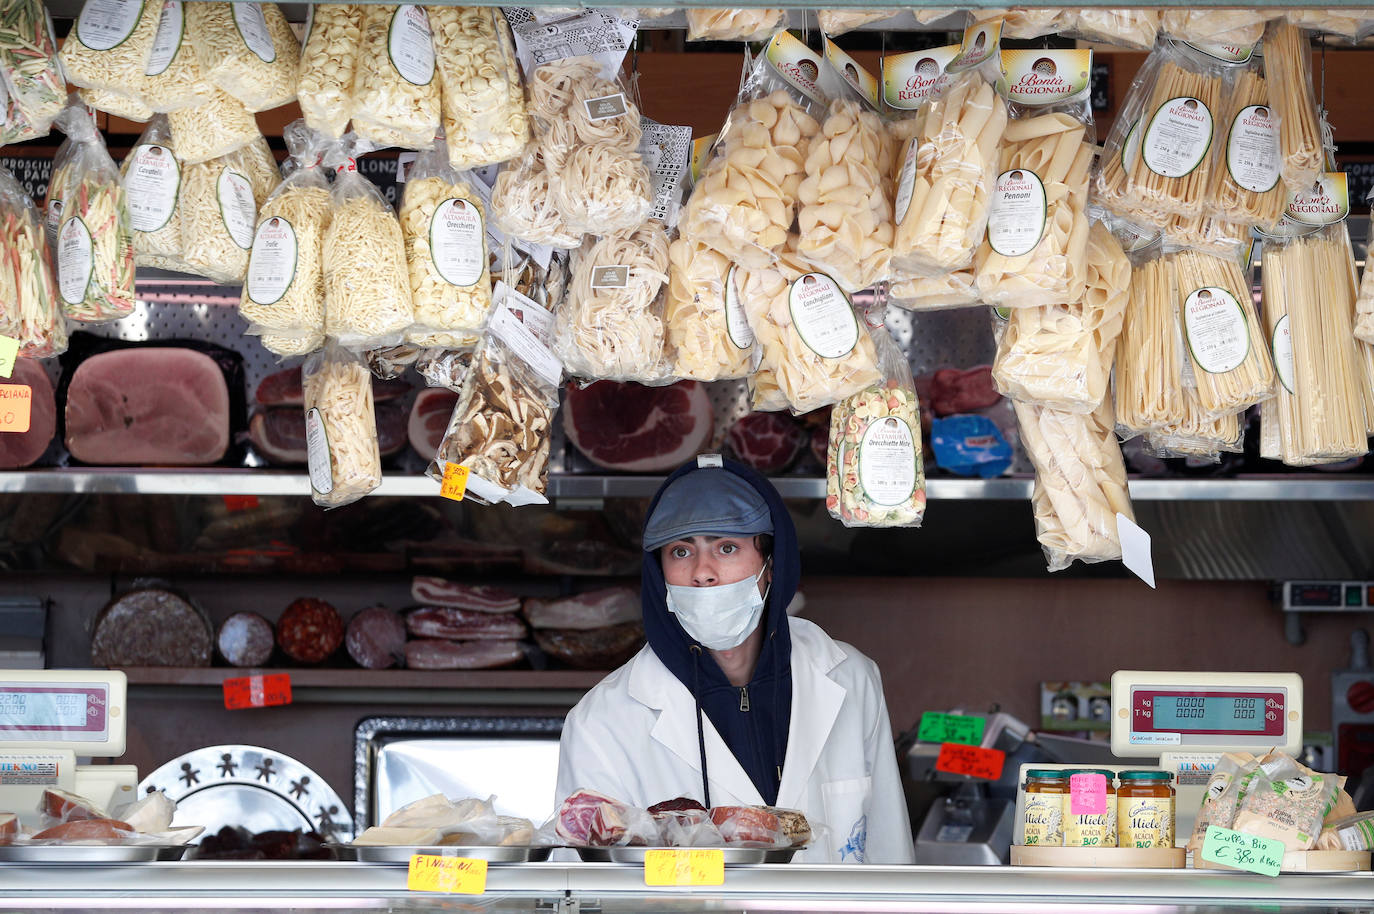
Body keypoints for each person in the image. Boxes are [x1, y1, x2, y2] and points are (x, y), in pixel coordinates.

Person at [556, 455, 913, 864]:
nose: (703, 572)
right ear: (659, 574)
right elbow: (583, 890)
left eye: (727, 547)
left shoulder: (851, 678)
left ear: (771, 566)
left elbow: (890, 853)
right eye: (680, 551)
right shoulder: (603, 720)